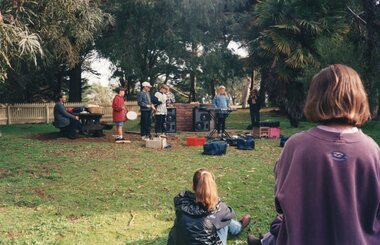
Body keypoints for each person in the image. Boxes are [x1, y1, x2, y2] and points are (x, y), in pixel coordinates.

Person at [248, 64, 380, 245]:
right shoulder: (373, 151)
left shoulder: (295, 147)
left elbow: (280, 204)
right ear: (358, 98)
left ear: (315, 97)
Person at [167, 168, 251, 245]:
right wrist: (215, 202)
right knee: (223, 220)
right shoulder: (219, 209)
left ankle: (237, 227)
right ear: (212, 187)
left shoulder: (181, 201)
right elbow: (230, 213)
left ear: (193, 186)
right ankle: (238, 227)